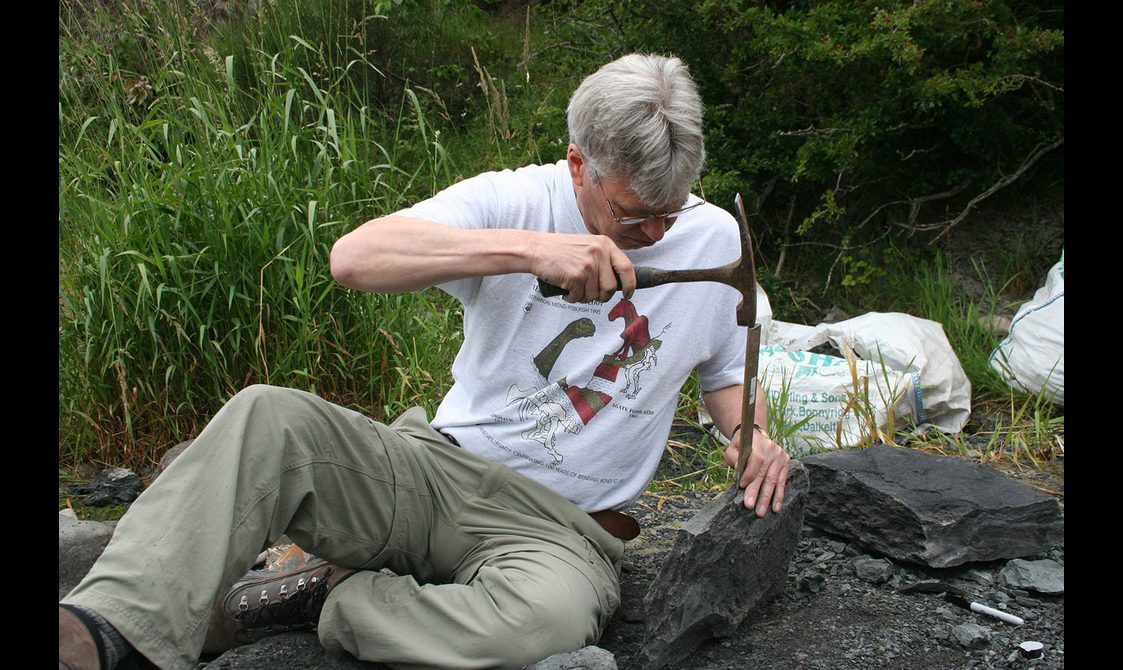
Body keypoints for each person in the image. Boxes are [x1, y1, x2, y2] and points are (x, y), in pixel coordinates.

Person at [59, 53, 790, 670]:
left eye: (670, 208)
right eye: (633, 212)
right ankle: (108, 631)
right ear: (578, 165)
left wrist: (749, 435)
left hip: (560, 532)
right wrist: (528, 249)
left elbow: (729, 374)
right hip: (434, 474)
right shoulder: (513, 200)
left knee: (548, 624)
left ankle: (331, 599)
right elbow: (354, 258)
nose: (656, 230)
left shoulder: (716, 240)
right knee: (267, 419)